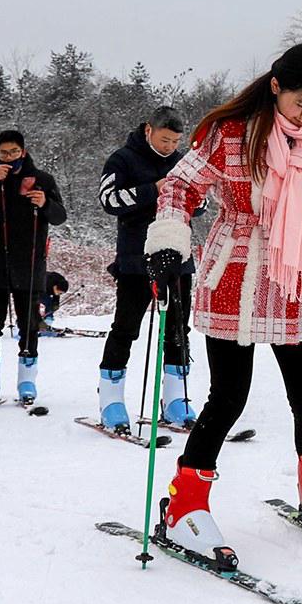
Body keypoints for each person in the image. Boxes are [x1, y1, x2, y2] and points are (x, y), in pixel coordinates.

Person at [144, 43, 302, 570]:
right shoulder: (232, 133)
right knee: (230, 395)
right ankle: (185, 503)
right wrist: (169, 242)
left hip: (295, 277)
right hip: (235, 270)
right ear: (277, 87)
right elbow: (179, 187)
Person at [96, 106, 193, 433]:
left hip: (178, 254)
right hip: (136, 259)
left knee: (179, 329)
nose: (170, 146)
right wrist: (155, 188)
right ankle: (111, 400)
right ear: (149, 130)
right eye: (165, 140)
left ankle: (176, 400)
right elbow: (109, 200)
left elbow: (203, 202)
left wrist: (188, 195)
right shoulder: (122, 159)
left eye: (175, 141)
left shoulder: (183, 160)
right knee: (125, 328)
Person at [0, 129, 68, 405]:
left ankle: (27, 382)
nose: (8, 157)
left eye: (13, 152)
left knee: (29, 325)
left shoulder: (42, 179)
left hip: (29, 264)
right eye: (3, 153)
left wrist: (45, 203)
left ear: (23, 150)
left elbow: (60, 216)